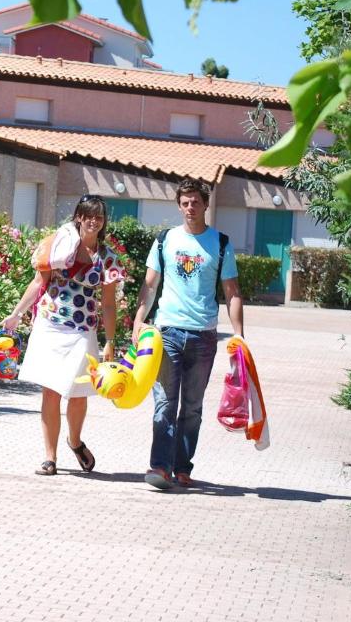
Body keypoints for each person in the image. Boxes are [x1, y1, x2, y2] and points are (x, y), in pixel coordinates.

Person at [132, 179, 244, 490]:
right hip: (167, 331)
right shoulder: (165, 240)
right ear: (179, 206)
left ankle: (182, 468)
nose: (190, 208)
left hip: (204, 337)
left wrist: (239, 335)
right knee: (165, 403)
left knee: (192, 407)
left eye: (196, 202)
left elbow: (232, 292)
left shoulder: (220, 244)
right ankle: (160, 467)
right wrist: (139, 320)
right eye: (185, 203)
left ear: (206, 205)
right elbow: (150, 284)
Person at [2, 195, 124, 476]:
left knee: (78, 393)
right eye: (88, 215)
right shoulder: (59, 247)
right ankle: (50, 457)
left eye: (99, 217)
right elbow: (38, 283)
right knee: (51, 391)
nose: (93, 221)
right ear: (78, 217)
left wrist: (109, 341)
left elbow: (108, 303)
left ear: (103, 222)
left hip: (83, 330)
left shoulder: (107, 258)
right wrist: (16, 314)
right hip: (50, 324)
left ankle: (75, 441)